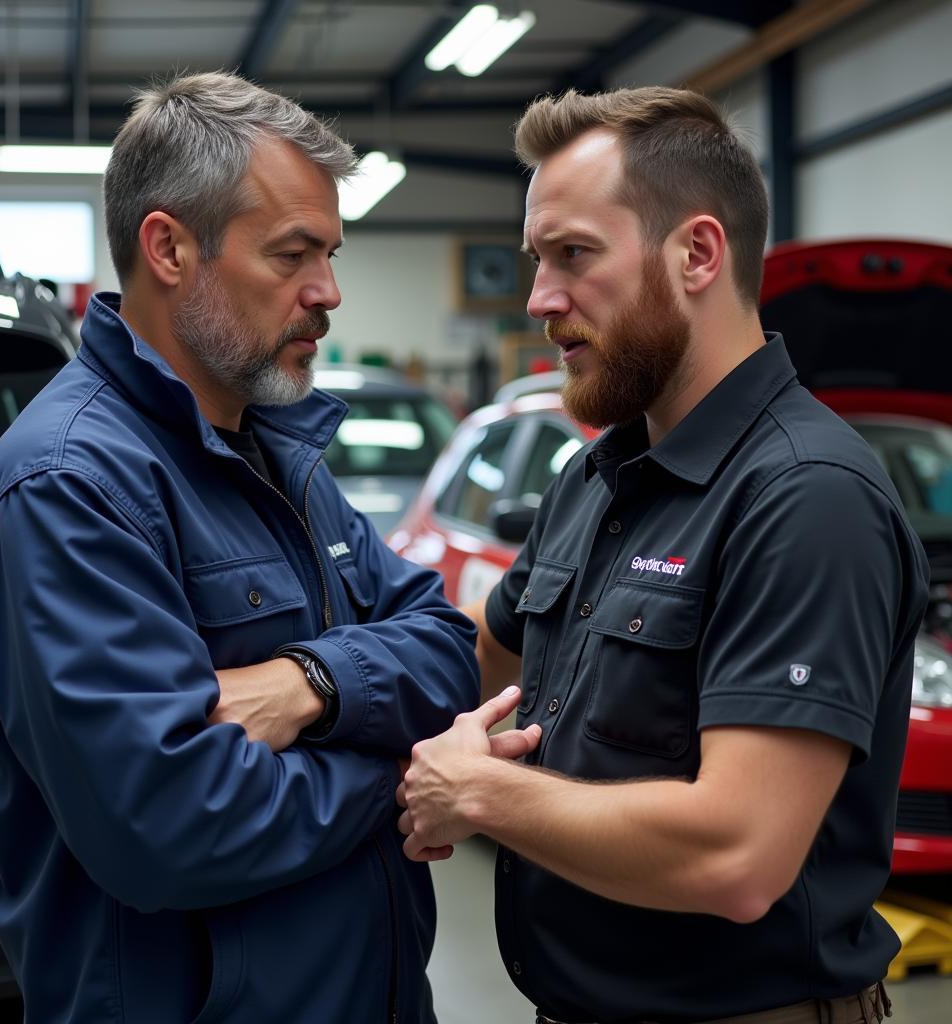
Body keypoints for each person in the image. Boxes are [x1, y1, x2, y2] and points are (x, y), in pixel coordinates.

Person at [0, 71, 481, 1023]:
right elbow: (170, 824)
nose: (329, 292)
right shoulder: (72, 487)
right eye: (293, 255)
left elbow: (443, 642)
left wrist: (311, 683)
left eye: (332, 253)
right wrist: (409, 771)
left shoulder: (276, 452)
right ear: (170, 248)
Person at [398, 87, 929, 1024]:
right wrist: (312, 682)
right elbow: (483, 653)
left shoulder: (806, 497)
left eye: (574, 255)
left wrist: (482, 793)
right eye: (535, 260)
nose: (539, 299)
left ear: (696, 253)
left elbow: (737, 856)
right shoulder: (600, 477)